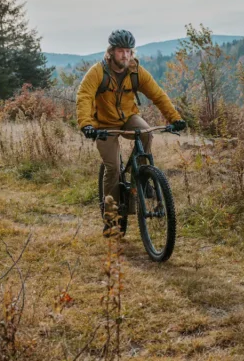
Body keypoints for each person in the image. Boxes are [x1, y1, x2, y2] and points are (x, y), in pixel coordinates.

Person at [76, 29, 187, 235]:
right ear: (111, 52)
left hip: (128, 118)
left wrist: (175, 118)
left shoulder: (136, 72)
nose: (125, 55)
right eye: (120, 51)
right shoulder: (97, 73)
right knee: (113, 169)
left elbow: (158, 95)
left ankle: (141, 179)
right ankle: (111, 221)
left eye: (128, 51)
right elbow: (84, 97)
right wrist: (86, 125)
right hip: (103, 125)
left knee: (145, 132)